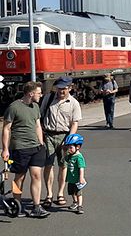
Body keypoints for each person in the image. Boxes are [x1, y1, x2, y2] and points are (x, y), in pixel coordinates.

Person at [1, 81, 50, 218]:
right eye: (39, 93)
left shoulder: (35, 106)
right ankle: (17, 206)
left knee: (36, 175)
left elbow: (37, 126)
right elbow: (6, 128)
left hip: (36, 148)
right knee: (19, 177)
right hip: (20, 148)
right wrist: (5, 149)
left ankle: (36, 207)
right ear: (31, 93)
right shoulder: (14, 107)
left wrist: (41, 143)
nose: (41, 95)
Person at [40, 76, 82, 208]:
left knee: (63, 166)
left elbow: (75, 123)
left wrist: (69, 140)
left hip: (64, 136)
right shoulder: (48, 98)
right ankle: (49, 194)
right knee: (48, 165)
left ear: (70, 88)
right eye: (59, 88)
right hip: (49, 135)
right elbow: (40, 116)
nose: (61, 91)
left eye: (64, 89)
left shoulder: (74, 103)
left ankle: (60, 193)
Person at [63, 133, 86, 215]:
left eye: (71, 147)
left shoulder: (79, 157)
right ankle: (75, 202)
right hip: (71, 178)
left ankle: (80, 206)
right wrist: (65, 152)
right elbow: (64, 159)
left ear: (78, 147)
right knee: (72, 192)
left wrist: (81, 177)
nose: (69, 149)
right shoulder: (70, 155)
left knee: (78, 193)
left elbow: (81, 168)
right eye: (68, 147)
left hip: (77, 179)